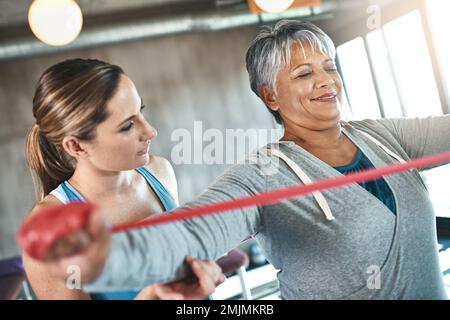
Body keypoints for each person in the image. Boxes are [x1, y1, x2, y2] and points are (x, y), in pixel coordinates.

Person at [33, 20, 450, 299]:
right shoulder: (263, 175)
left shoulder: (384, 136)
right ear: (270, 95)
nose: (326, 80)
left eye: (329, 66)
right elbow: (194, 230)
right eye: (304, 74)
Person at [23, 58, 225, 300]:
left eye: (141, 111)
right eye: (128, 125)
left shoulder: (159, 172)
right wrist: (152, 295)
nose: (150, 131)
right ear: (76, 146)